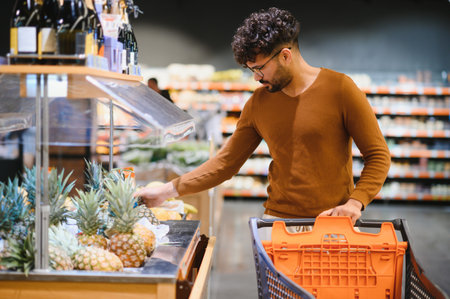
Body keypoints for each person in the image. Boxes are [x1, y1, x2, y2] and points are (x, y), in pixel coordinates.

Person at [135, 7, 390, 225]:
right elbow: (225, 164)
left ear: (285, 56)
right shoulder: (258, 103)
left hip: (333, 222)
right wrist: (166, 191)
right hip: (276, 222)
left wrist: (356, 202)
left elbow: (378, 155)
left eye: (259, 68)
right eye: (250, 70)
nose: (256, 78)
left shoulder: (341, 89)